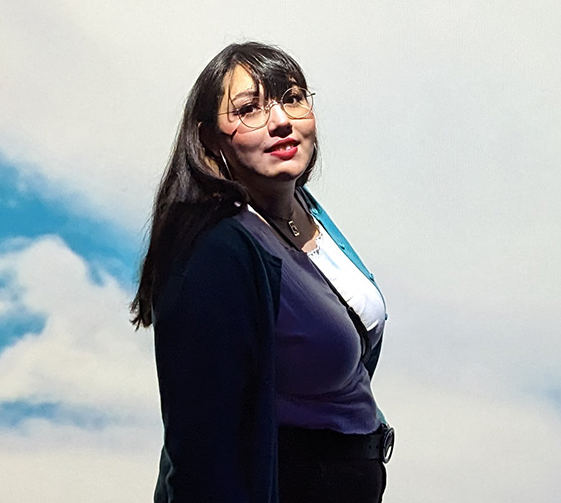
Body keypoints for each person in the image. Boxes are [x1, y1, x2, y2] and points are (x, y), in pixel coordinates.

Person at [132, 42, 392, 503]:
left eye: (292, 97)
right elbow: (202, 444)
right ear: (210, 138)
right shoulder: (214, 247)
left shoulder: (304, 211)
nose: (280, 120)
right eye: (249, 108)